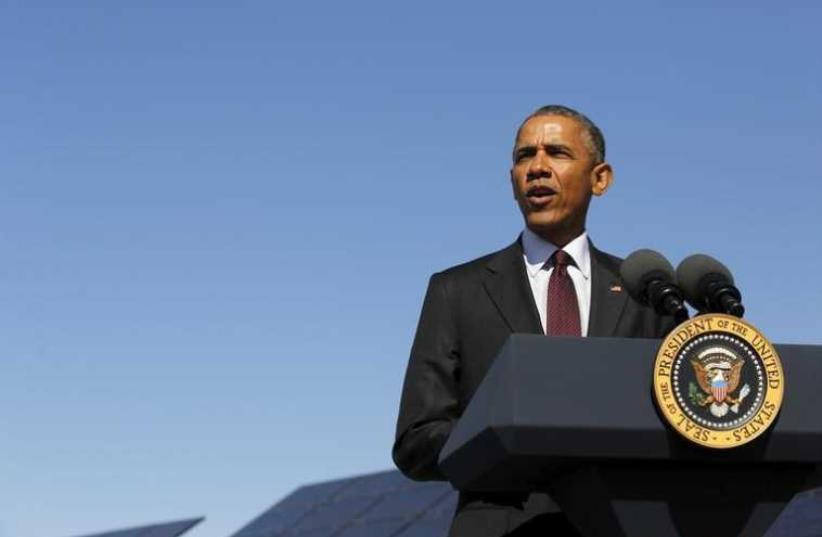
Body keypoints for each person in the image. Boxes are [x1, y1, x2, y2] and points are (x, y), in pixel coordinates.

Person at [392, 105, 676, 536]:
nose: (537, 168)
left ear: (600, 178)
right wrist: (503, 439)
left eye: (557, 153)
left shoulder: (647, 292)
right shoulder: (456, 291)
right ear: (511, 180)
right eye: (525, 156)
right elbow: (416, 440)